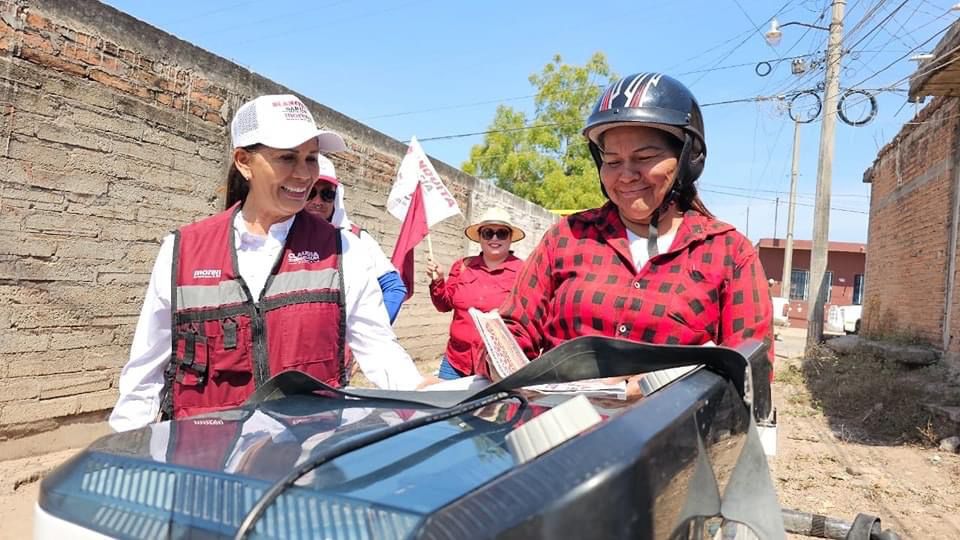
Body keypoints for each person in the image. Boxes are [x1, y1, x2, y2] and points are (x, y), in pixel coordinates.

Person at [110, 94, 428, 432]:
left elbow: (380, 350)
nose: (304, 174)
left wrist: (427, 391)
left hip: (305, 462)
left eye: (311, 158)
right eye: (287, 158)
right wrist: (126, 445)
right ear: (244, 162)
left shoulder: (343, 248)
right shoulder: (183, 250)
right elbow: (145, 371)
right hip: (203, 462)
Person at [491, 73, 774, 396]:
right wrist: (497, 355)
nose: (626, 175)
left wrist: (662, 384)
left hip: (673, 441)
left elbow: (751, 371)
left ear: (687, 159)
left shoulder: (728, 252)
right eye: (612, 161)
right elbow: (516, 326)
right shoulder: (567, 237)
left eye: (644, 158)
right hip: (560, 433)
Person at [304, 155, 407, 323]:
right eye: (311, 192)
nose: (317, 201)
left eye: (327, 194)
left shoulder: (356, 238)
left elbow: (394, 288)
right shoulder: (279, 235)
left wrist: (374, 333)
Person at [426, 207, 526, 379]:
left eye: (501, 233)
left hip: (497, 366)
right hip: (456, 361)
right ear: (480, 237)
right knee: (447, 405)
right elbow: (443, 306)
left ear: (510, 239)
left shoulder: (524, 272)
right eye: (488, 233)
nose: (494, 238)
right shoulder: (462, 266)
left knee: (494, 407)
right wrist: (438, 281)